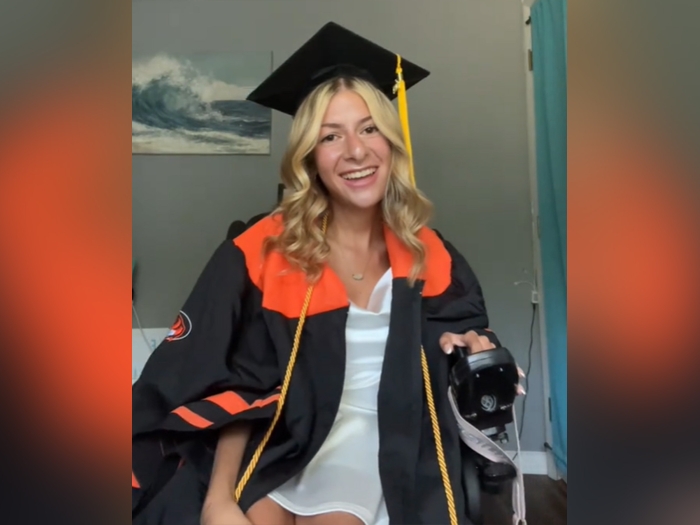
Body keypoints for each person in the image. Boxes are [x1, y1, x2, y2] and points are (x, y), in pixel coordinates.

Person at [132, 22, 519, 525]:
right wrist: (219, 500)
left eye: (369, 128)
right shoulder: (261, 251)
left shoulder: (431, 256)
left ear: (391, 140)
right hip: (284, 441)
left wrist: (475, 347)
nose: (355, 151)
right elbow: (235, 382)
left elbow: (463, 341)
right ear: (310, 158)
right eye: (330, 136)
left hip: (385, 441)